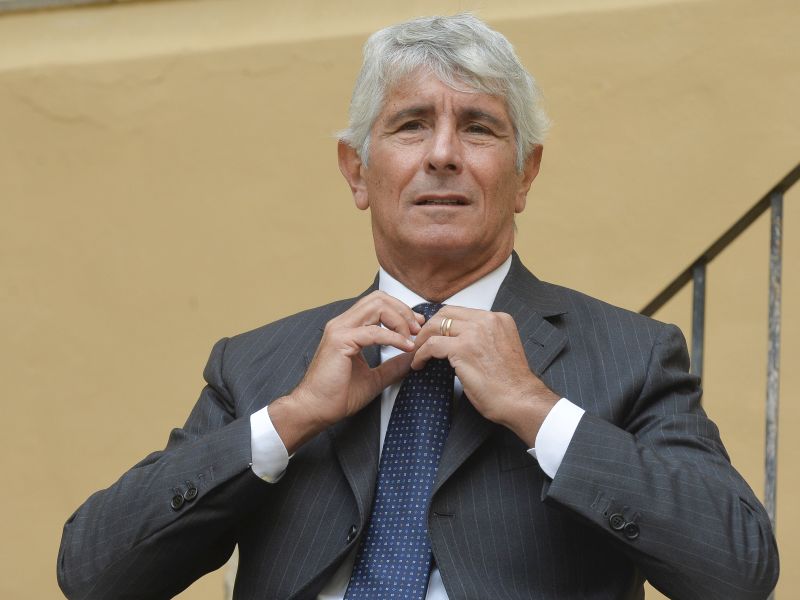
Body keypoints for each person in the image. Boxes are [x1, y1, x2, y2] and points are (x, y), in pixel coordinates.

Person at [57, 14, 778, 600]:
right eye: (410, 125)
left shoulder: (631, 355)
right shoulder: (257, 366)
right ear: (357, 171)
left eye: (479, 127)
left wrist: (536, 408)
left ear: (525, 175)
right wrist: (293, 417)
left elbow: (737, 573)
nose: (442, 155)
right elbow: (94, 575)